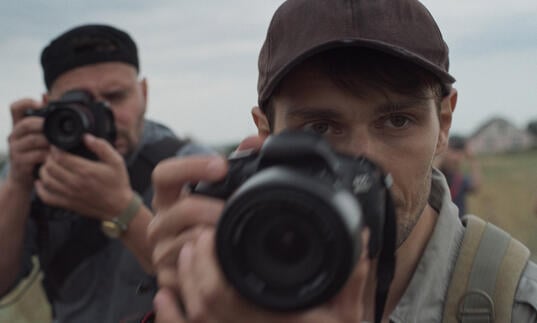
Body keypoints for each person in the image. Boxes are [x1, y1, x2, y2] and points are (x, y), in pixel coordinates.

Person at [147, 0, 537, 322]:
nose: (364, 157)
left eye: (398, 121)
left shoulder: (511, 301)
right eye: (319, 128)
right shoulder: (222, 292)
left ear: (444, 125)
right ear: (267, 135)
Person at [0, 24, 213, 322]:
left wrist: (121, 209)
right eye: (79, 103)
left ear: (143, 94)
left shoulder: (187, 165)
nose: (103, 115)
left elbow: (214, 285)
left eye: (115, 97)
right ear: (48, 106)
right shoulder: (34, 167)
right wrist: (18, 184)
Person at [438, 135, 482, 218]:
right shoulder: (437, 175)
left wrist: (473, 161)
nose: (456, 158)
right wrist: (441, 154)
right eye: (453, 152)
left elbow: (475, 187)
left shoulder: (459, 178)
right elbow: (428, 182)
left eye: (459, 153)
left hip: (458, 223)